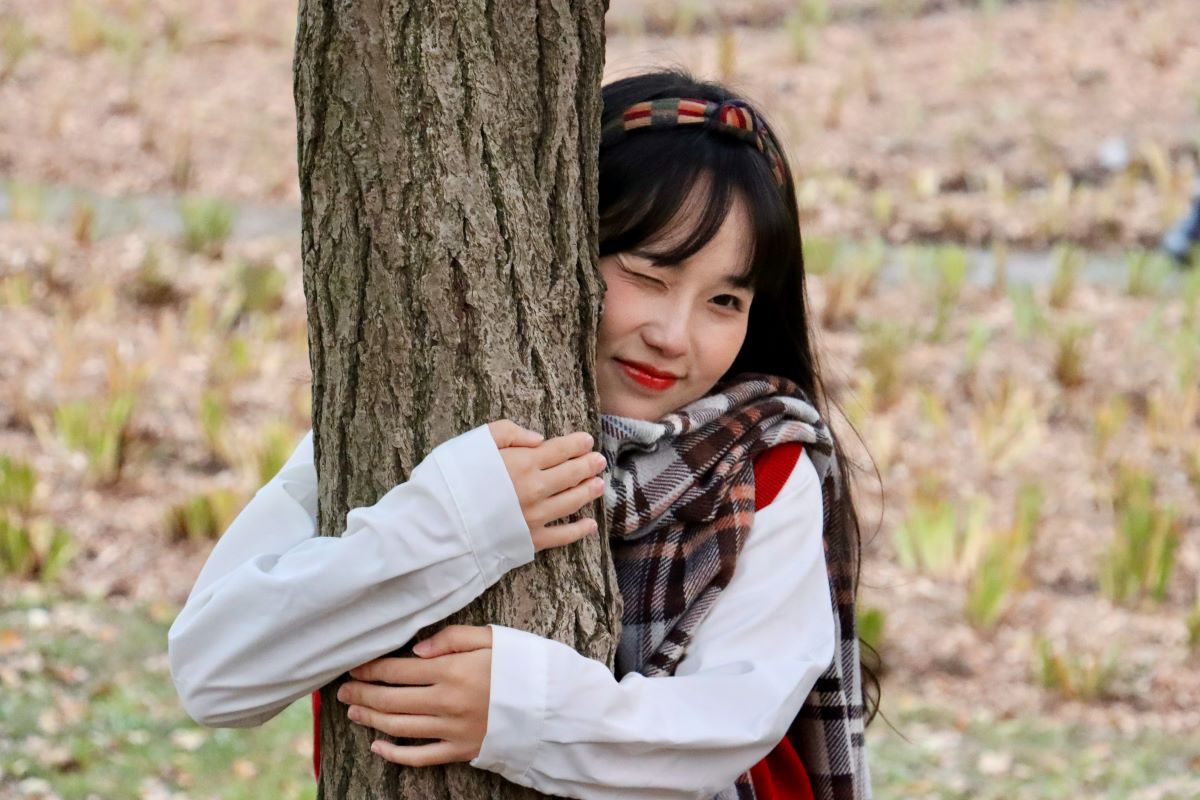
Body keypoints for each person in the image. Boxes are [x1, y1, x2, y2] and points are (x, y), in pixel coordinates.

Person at [168, 69, 875, 800]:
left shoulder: (764, 463)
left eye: (724, 300)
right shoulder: (408, 414)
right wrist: (456, 525)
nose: (674, 336)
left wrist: (524, 712)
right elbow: (215, 673)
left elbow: (732, 720)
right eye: (647, 273)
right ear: (563, 242)